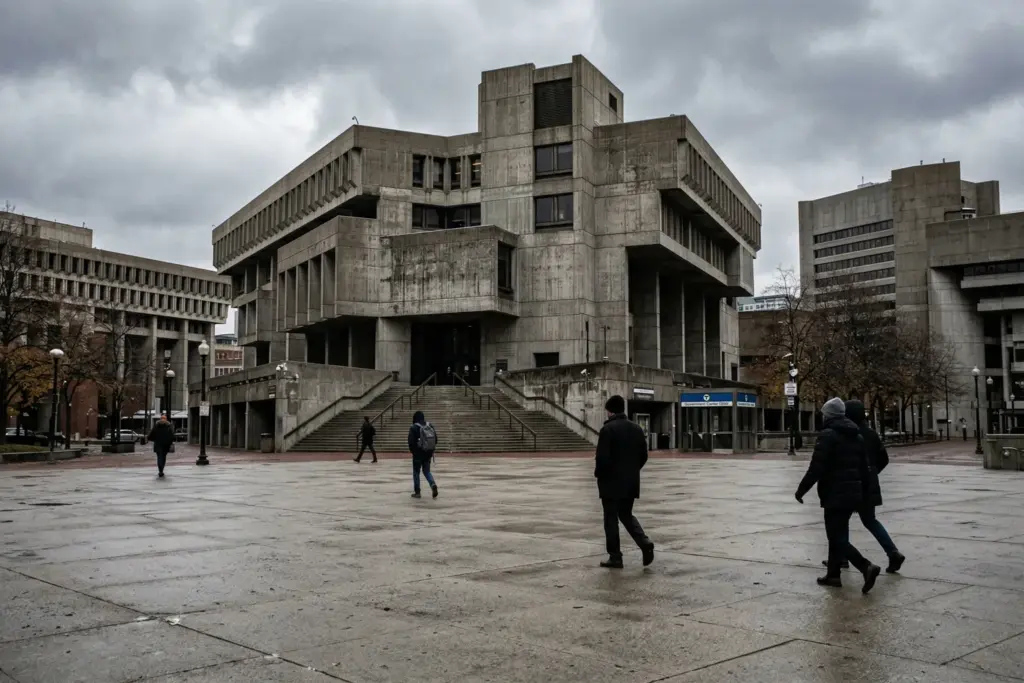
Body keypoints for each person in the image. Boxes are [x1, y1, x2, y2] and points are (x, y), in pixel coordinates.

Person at [795, 397, 882, 593]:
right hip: (853, 494)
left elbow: (816, 467)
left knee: (836, 537)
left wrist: (801, 490)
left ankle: (865, 566)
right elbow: (865, 468)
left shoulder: (827, 435)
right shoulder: (856, 435)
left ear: (828, 415)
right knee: (838, 533)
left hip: (834, 493)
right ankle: (833, 575)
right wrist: (864, 491)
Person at [821, 400, 906, 573]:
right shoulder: (871, 434)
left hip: (851, 484)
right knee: (870, 520)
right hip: (869, 484)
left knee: (840, 522)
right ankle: (893, 552)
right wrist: (872, 473)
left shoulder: (848, 434)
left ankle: (843, 558)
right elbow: (884, 459)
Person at [595, 395, 654, 569]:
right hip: (630, 482)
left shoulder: (608, 430)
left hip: (611, 484)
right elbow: (643, 455)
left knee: (611, 519)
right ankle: (644, 542)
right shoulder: (636, 429)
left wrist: (599, 475)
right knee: (626, 514)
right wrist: (632, 471)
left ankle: (615, 556)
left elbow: (602, 459)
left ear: (610, 410)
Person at [408, 410, 438, 499]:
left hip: (418, 454)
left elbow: (411, 442)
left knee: (416, 472)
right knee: (427, 471)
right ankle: (432, 484)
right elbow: (436, 440)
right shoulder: (429, 426)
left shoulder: (414, 427)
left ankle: (417, 492)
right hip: (428, 453)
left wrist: (414, 452)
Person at [147, 413, 175, 478]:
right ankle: (161, 470)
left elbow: (151, 434)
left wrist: (153, 439)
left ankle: (160, 470)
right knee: (163, 457)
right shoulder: (169, 425)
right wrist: (170, 441)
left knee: (159, 456)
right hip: (166, 444)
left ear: (160, 419)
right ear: (166, 419)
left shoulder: (156, 425)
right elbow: (172, 435)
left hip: (158, 444)